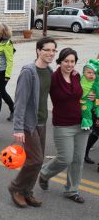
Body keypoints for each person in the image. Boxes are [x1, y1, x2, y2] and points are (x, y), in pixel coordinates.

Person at [8, 37, 57, 208]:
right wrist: (18, 128)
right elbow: (20, 102)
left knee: (38, 160)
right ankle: (15, 188)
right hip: (29, 124)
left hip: (42, 121)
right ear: (38, 50)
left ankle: (27, 192)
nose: (50, 53)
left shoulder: (49, 71)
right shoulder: (28, 72)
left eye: (53, 50)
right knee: (35, 160)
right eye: (47, 50)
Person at [39, 48, 88, 203]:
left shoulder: (77, 76)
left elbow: (84, 92)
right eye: (66, 61)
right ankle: (44, 173)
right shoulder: (53, 78)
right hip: (62, 125)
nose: (69, 64)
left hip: (81, 124)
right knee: (65, 158)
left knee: (78, 160)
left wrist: (90, 95)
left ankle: (72, 190)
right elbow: (40, 93)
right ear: (60, 61)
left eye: (72, 61)